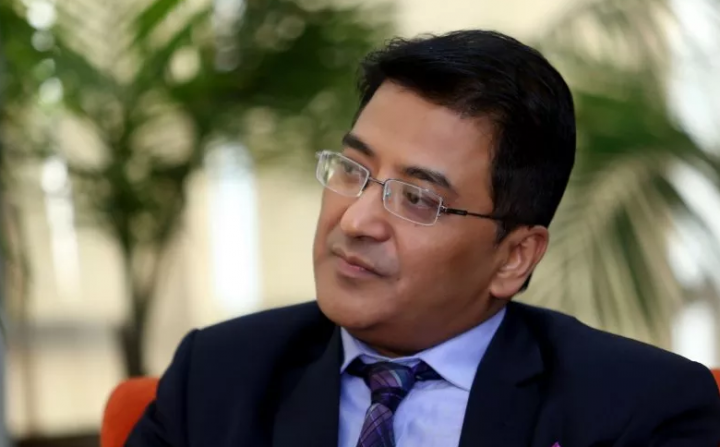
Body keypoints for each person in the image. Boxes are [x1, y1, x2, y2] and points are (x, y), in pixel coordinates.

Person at [127, 30, 720, 447]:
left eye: (417, 198)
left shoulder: (641, 411)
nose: (356, 221)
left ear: (514, 258)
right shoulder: (216, 378)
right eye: (352, 170)